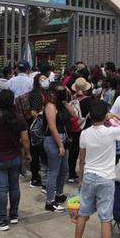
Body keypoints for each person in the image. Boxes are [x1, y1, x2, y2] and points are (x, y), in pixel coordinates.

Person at [71, 100, 120, 238]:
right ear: (105, 115)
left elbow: (82, 159)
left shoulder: (84, 134)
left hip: (89, 176)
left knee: (83, 213)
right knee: (105, 218)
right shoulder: (111, 132)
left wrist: (81, 178)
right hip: (105, 179)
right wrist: (114, 115)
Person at [0, 89, 30, 230]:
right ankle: (14, 214)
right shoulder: (19, 117)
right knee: (14, 186)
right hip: (15, 156)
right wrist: (27, 153)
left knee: (2, 190)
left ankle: (2, 219)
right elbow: (25, 139)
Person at [43, 83, 73, 212]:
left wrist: (66, 103)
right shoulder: (50, 106)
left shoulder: (61, 105)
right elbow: (52, 127)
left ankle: (59, 194)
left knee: (64, 168)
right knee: (53, 171)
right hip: (53, 140)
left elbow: (75, 115)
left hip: (64, 139)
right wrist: (60, 144)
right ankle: (50, 201)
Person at [67, 77, 93, 182]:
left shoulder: (73, 100)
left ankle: (71, 174)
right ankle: (86, 173)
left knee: (73, 151)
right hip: (86, 128)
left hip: (75, 129)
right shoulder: (90, 101)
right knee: (87, 153)